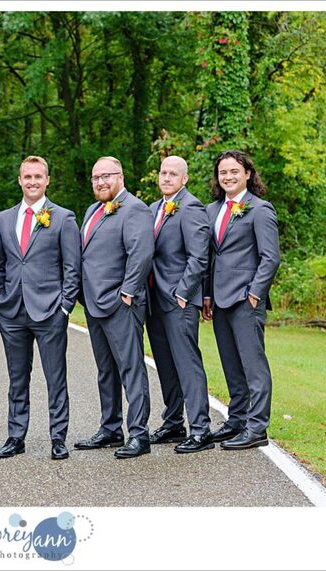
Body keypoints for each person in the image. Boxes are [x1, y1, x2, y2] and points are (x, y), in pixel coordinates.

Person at [0, 156, 81, 460]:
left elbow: (72, 266)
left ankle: (58, 437)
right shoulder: (4, 218)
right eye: (27, 177)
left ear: (47, 180)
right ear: (20, 180)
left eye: (38, 177)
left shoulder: (63, 217)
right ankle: (16, 436)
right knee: (17, 378)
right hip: (12, 311)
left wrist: (65, 306)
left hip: (50, 310)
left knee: (56, 377)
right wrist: (1, 299)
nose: (32, 182)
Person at [75, 156, 154, 459]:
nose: (101, 182)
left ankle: (139, 434)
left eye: (107, 176)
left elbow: (141, 253)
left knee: (131, 368)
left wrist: (128, 293)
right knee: (105, 371)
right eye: (96, 177)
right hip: (94, 305)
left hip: (122, 304)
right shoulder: (92, 210)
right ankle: (110, 428)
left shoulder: (134, 209)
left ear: (120, 177)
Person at [202, 150, 280, 450]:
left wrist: (254, 293)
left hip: (246, 300)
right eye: (223, 172)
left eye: (234, 171)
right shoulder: (212, 211)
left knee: (253, 366)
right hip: (220, 300)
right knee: (231, 365)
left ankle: (257, 427)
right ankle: (237, 420)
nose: (228, 176)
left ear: (248, 173)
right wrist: (207, 294)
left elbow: (270, 258)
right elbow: (210, 256)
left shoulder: (259, 210)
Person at [146, 156, 213, 453]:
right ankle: (173, 422)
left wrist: (184, 292)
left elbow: (199, 257)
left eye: (173, 174)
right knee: (165, 363)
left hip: (178, 300)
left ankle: (200, 429)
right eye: (163, 173)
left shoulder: (192, 208)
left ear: (184, 179)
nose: (167, 178)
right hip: (154, 300)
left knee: (187, 363)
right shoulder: (153, 209)